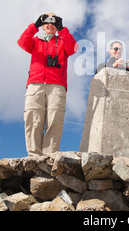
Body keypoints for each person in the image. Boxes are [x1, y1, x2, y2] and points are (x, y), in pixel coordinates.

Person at [17, 12, 78, 156]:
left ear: (57, 26)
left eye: (53, 21)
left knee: (55, 119)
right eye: (46, 22)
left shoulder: (63, 41)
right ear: (43, 26)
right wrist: (35, 25)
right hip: (36, 84)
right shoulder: (35, 42)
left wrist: (63, 29)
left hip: (57, 85)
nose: (50, 24)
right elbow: (22, 42)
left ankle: (50, 155)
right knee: (33, 118)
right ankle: (34, 156)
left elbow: (73, 48)